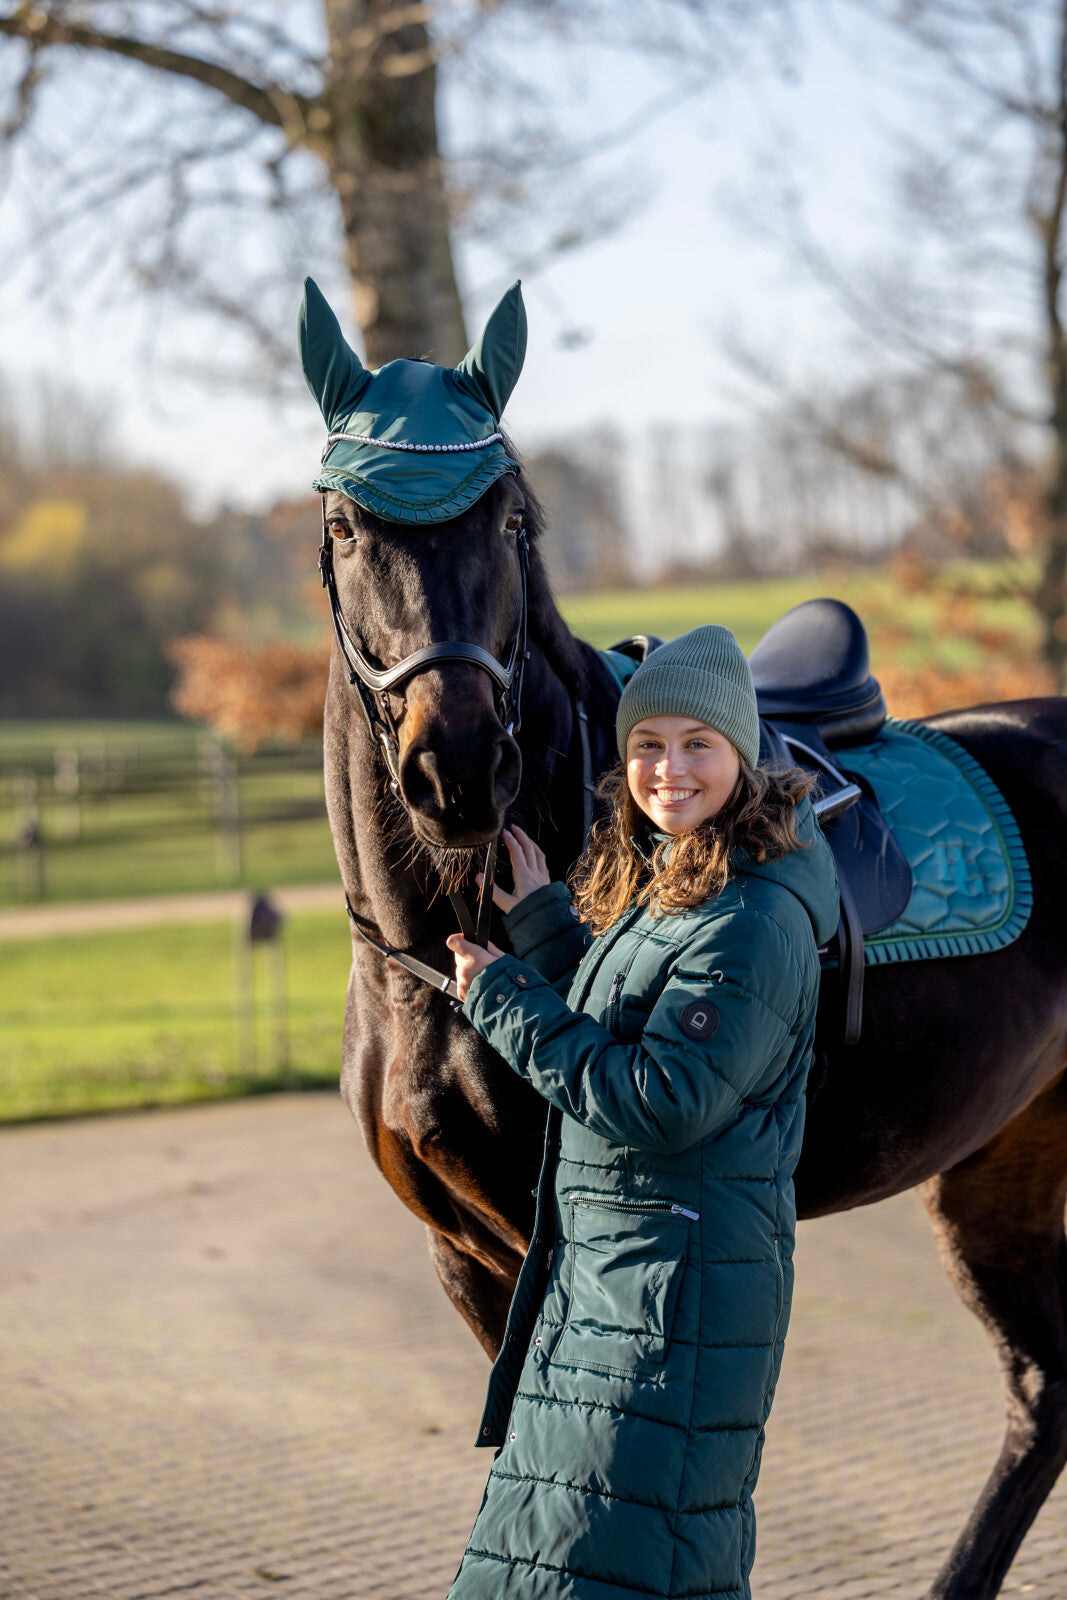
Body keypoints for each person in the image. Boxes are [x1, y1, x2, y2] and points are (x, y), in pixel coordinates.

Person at [444, 624, 839, 1600]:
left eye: (696, 743)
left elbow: (659, 1101)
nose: (668, 769)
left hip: (672, 1310)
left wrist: (501, 997)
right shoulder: (680, 878)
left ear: (742, 755)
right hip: (616, 1291)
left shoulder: (750, 916)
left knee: (617, 1570)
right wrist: (543, 930)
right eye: (647, 744)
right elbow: (629, 1025)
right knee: (553, 1565)